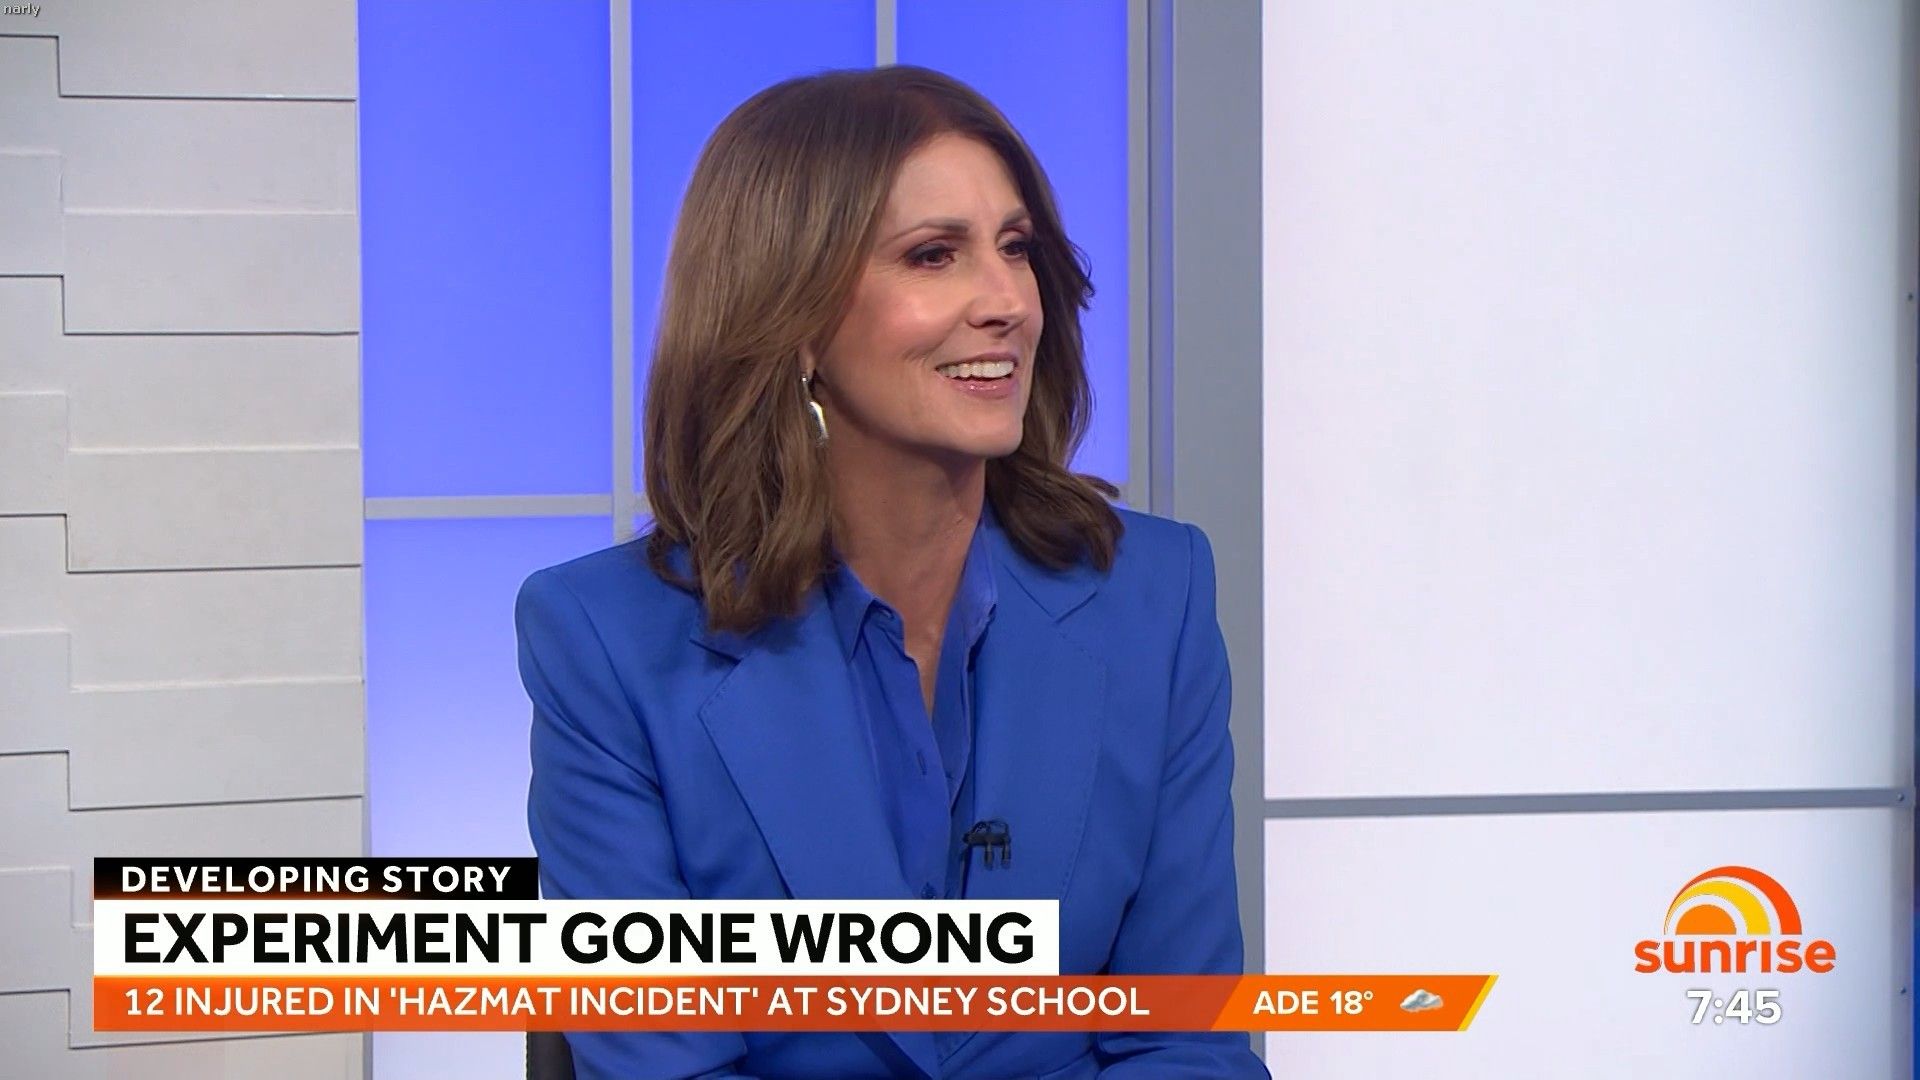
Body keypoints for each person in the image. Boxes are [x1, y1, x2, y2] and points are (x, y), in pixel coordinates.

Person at [516, 64, 1267, 1080]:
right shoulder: (604, 642)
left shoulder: (1154, 597)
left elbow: (1185, 1041)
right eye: (933, 255)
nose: (1006, 302)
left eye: (1016, 248)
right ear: (795, 320)